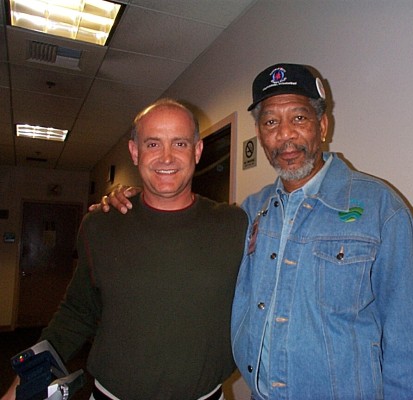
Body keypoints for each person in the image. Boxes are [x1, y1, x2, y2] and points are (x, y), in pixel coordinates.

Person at [92, 64, 413, 399]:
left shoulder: (381, 209)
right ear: (260, 134)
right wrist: (138, 198)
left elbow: (412, 344)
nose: (285, 135)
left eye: (299, 118)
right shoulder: (248, 213)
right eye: (271, 121)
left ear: (322, 125)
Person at [1, 99, 247, 400]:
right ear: (135, 151)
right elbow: (76, 315)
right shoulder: (100, 226)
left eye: (179, 143)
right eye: (153, 144)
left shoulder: (235, 225)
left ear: (197, 150)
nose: (166, 157)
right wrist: (20, 387)